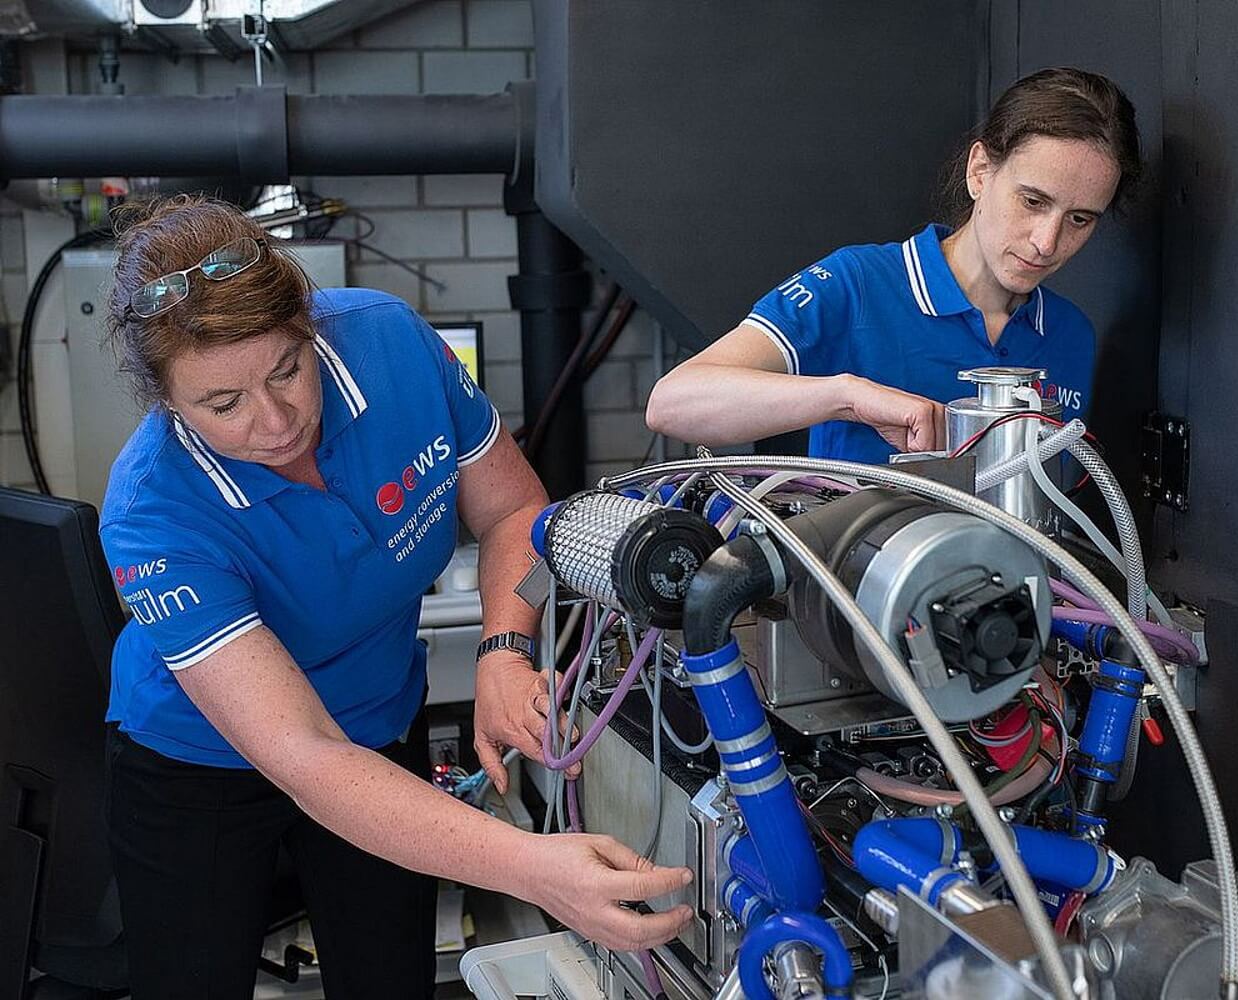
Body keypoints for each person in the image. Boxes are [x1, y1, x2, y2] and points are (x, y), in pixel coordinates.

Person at [99, 196, 692, 999]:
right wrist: (533, 870)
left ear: (312, 329)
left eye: (287, 371)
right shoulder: (152, 512)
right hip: (196, 763)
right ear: (168, 402)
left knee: (388, 979)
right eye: (223, 405)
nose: (276, 423)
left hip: (377, 721)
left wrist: (504, 651)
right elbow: (306, 757)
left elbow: (515, 511)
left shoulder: (390, 343)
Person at [646, 67, 1141, 461]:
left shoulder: (1070, 334)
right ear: (980, 173)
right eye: (1032, 201)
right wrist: (848, 398)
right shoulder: (858, 284)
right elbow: (673, 403)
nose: (1046, 242)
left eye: (1079, 219)